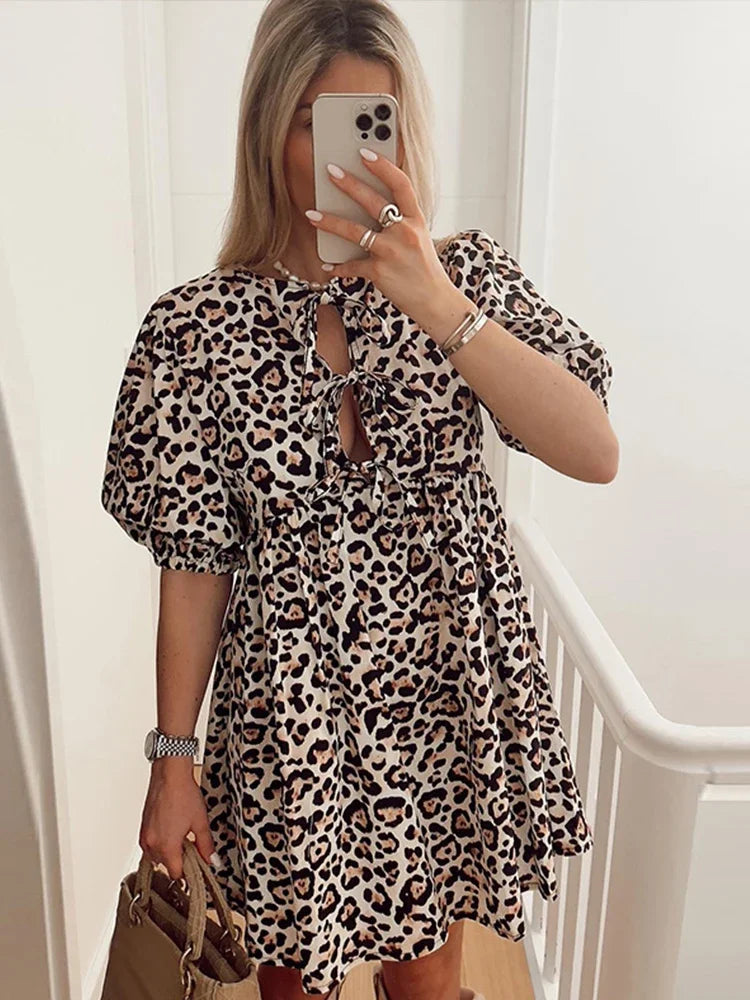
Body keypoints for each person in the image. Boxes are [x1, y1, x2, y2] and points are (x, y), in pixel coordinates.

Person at [100, 2, 617, 999]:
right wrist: (172, 760)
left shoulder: (467, 280)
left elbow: (593, 449)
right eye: (312, 120)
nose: (344, 154)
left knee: (430, 984)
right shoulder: (194, 330)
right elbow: (194, 566)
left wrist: (438, 303)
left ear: (400, 130)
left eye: (368, 121)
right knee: (297, 984)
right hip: (287, 713)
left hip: (442, 697)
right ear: (267, 130)